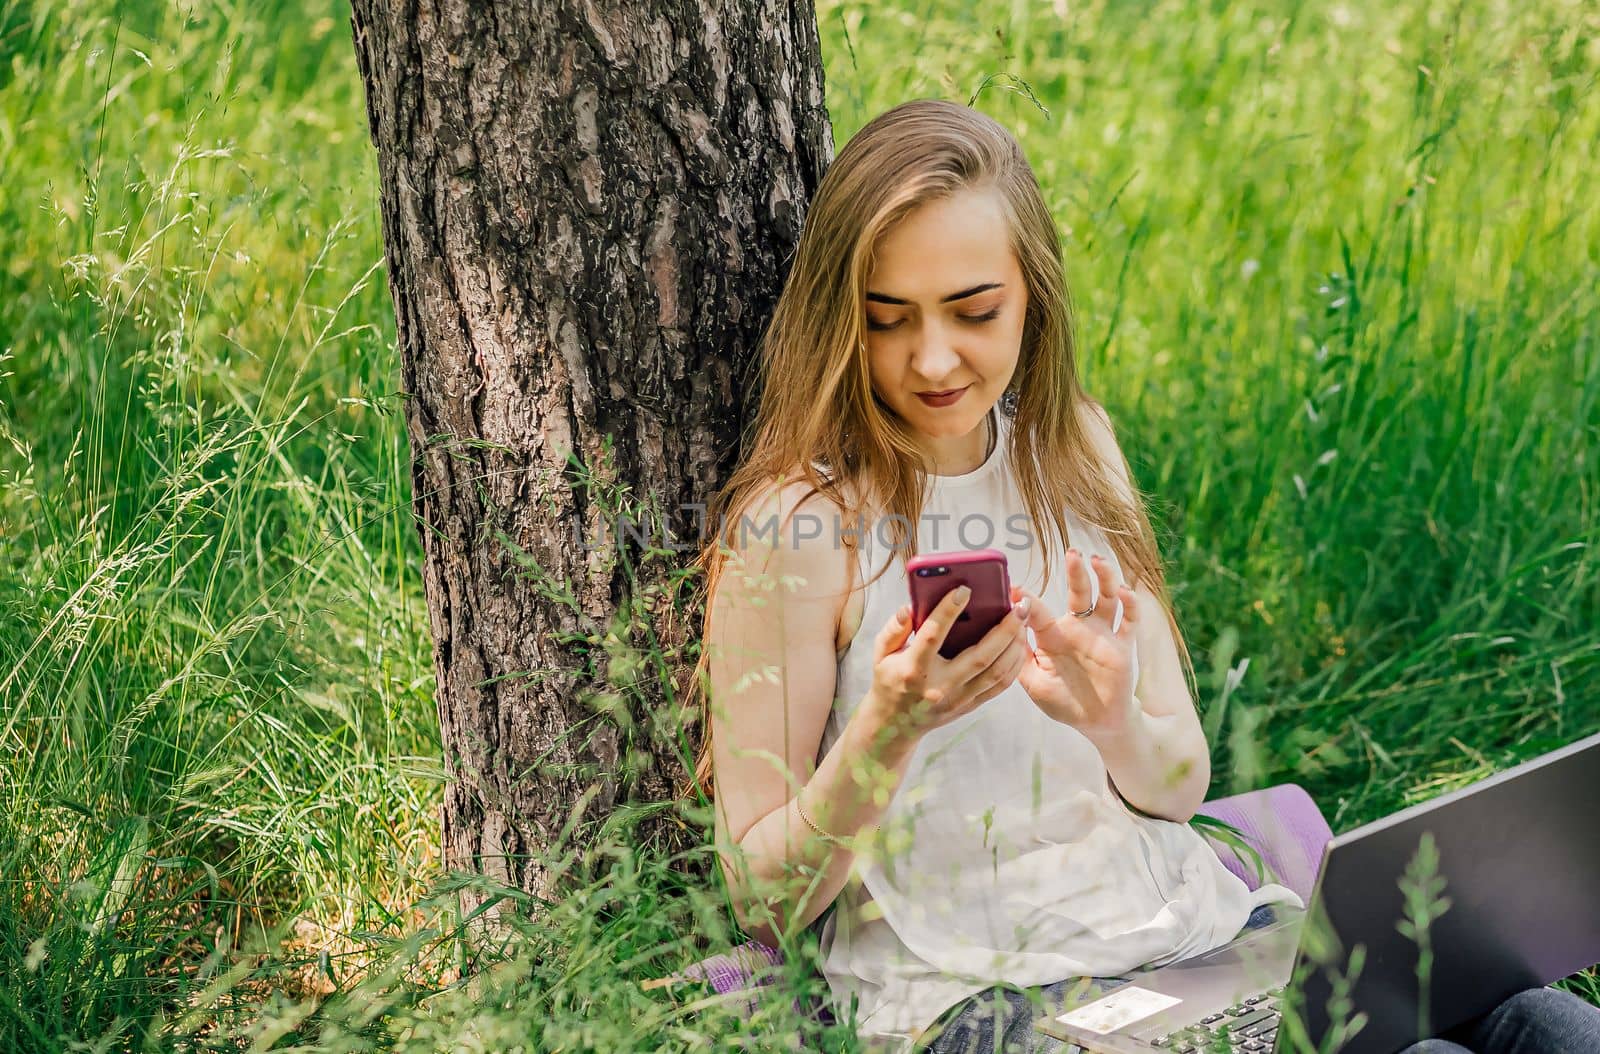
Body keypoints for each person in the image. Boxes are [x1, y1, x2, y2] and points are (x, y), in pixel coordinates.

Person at [688, 99, 1600, 1053]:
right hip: (983, 999)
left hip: (1195, 940)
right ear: (842, 316)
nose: (933, 358)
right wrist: (888, 729)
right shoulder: (794, 530)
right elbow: (761, 901)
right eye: (888, 319)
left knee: (1530, 1017)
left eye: (975, 311)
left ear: (1031, 295)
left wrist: (1113, 716)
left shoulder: (1073, 446)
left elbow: (1178, 782)